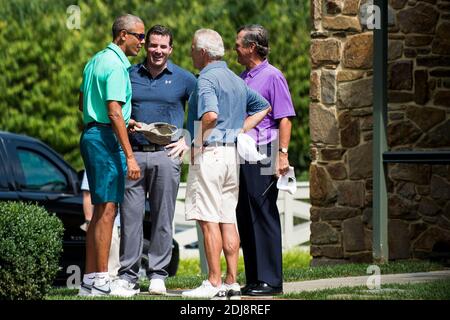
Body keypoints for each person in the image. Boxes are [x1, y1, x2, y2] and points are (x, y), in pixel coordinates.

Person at [182, 29, 271, 299]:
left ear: (204, 53)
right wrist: (238, 131)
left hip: (210, 154)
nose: (191, 54)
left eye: (193, 49)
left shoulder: (207, 78)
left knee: (208, 220)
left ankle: (213, 283)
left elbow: (209, 115)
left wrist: (195, 143)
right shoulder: (235, 78)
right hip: (231, 156)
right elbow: (263, 106)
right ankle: (231, 282)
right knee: (227, 219)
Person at [111, 25, 196, 297]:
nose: (157, 51)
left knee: (162, 217)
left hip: (167, 157)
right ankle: (127, 277)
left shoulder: (184, 79)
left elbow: (206, 109)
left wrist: (189, 139)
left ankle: (158, 274)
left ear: (170, 49)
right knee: (131, 218)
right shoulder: (129, 75)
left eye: (163, 46)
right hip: (133, 156)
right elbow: (116, 108)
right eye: (153, 45)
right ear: (146, 46)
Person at [77, 14, 143, 296]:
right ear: (122, 36)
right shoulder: (116, 66)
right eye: (138, 36)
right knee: (107, 210)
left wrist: (122, 119)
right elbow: (114, 109)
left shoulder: (95, 60)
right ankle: (103, 279)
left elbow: (82, 102)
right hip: (105, 139)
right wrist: (130, 155)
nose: (142, 41)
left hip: (92, 134)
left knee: (99, 210)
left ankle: (91, 280)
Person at [234, 24, 296, 296]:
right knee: (245, 216)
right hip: (243, 154)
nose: (234, 48)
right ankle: (256, 279)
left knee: (263, 214)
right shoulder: (242, 76)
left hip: (265, 151)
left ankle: (271, 281)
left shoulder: (273, 76)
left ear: (251, 47)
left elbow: (284, 118)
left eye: (238, 44)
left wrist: (282, 155)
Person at [80, 171, 121, 279]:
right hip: (108, 224)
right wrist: (88, 221)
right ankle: (104, 284)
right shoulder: (98, 159)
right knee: (110, 267)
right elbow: (87, 194)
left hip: (124, 223)